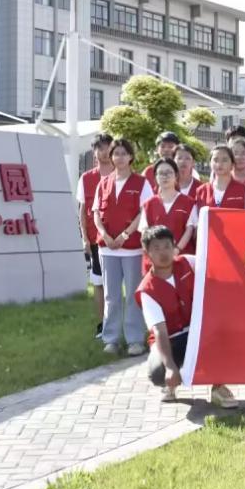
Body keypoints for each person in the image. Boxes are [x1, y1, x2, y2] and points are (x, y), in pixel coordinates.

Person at [136, 225, 237, 407]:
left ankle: (218, 386)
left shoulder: (188, 262)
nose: (163, 252)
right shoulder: (146, 290)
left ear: (174, 246)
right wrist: (169, 367)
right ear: (147, 252)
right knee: (157, 372)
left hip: (200, 332)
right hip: (172, 339)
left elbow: (216, 265)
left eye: (167, 246)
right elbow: (160, 332)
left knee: (230, 337)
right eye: (156, 248)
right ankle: (170, 383)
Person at [92, 138, 153, 356]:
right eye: (115, 153)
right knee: (111, 295)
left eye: (123, 153)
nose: (119, 157)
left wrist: (126, 234)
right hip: (107, 249)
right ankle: (111, 339)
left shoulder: (141, 183)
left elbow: (144, 212)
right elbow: (96, 213)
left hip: (132, 248)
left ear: (131, 157)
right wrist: (105, 235)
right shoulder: (103, 183)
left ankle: (135, 339)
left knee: (133, 295)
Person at [75, 133, 114, 339]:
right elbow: (82, 211)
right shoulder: (87, 178)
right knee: (98, 283)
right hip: (96, 239)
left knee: (115, 286)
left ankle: (118, 324)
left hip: (121, 240)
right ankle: (102, 325)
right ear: (94, 152)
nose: (104, 152)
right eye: (100, 148)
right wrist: (84, 239)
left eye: (107, 147)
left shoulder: (122, 175)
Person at [141, 157, 196, 273]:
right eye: (161, 173)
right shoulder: (149, 204)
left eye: (169, 173)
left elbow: (189, 229)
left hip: (181, 258)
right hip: (155, 260)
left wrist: (176, 250)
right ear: (155, 177)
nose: (165, 176)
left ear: (176, 175)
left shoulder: (189, 202)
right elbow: (145, 232)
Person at [196, 145, 245, 210]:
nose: (219, 164)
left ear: (232, 165)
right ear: (210, 164)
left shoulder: (244, 190)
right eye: (215, 160)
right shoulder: (201, 191)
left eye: (224, 160)